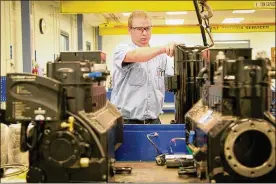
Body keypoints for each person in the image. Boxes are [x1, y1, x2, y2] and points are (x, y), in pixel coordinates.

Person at [110, 10, 176, 124]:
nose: (144, 33)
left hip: (154, 121)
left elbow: (166, 83)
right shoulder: (121, 50)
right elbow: (136, 55)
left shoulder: (161, 57)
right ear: (130, 30)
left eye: (147, 28)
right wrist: (164, 48)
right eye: (139, 29)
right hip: (127, 123)